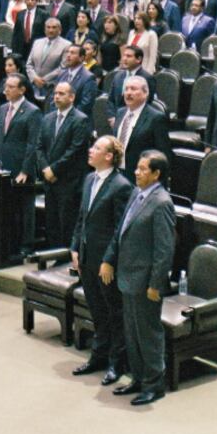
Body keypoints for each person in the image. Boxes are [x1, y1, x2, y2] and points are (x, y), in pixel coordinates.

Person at [100, 150, 176, 405]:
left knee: (148, 334)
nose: (136, 171)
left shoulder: (162, 202)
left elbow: (164, 250)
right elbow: (120, 230)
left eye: (143, 169)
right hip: (127, 277)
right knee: (131, 332)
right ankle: (138, 378)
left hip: (145, 283)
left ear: (156, 174)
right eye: (137, 167)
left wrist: (156, 284)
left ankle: (155, 385)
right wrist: (109, 259)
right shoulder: (136, 193)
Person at [70, 135, 133, 386]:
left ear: (109, 156)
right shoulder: (89, 180)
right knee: (97, 310)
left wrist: (109, 261)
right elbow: (82, 218)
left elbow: (120, 230)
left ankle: (116, 364)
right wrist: (74, 247)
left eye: (96, 148)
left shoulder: (121, 186)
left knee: (113, 313)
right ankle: (98, 356)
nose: (90, 150)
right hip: (86, 257)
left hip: (105, 263)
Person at [36, 81, 92, 248]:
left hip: (68, 180)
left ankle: (65, 256)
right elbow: (39, 147)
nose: (57, 97)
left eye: (61, 94)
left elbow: (74, 150)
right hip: (49, 178)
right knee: (51, 220)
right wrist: (45, 168)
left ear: (72, 97)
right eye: (55, 94)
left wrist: (54, 169)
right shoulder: (48, 118)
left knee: (66, 222)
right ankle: (53, 252)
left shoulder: (80, 120)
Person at [0, 74, 42, 260]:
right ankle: (12, 243)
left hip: (22, 168)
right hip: (4, 167)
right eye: (6, 86)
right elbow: (0, 139)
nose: (6, 90)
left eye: (11, 87)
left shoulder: (32, 111)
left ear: (22, 89)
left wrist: (25, 170)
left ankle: (26, 245)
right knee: (9, 208)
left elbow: (33, 144)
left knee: (25, 209)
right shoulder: (2, 108)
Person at [114, 75, 171, 183]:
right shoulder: (120, 113)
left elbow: (163, 154)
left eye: (133, 89)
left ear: (145, 94)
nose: (128, 93)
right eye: (126, 89)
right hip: (117, 174)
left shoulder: (156, 118)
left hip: (140, 177)